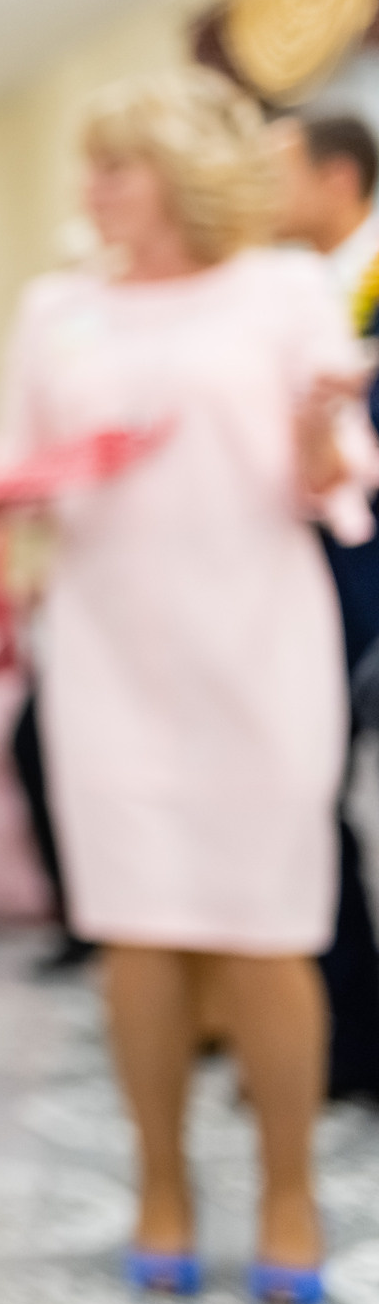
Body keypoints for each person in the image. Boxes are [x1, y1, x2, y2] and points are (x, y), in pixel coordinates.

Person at [0, 68, 369, 1304]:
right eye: (87, 166)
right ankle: (160, 1183)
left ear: (177, 175)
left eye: (114, 164)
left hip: (256, 646)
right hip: (109, 654)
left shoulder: (282, 290)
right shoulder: (55, 310)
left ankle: (287, 1193)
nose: (91, 189)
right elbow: (19, 465)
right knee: (136, 933)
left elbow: (333, 483)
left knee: (267, 932)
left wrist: (319, 434)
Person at [275, 112, 379, 1100]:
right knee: (314, 794)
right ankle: (342, 1031)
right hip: (306, 572)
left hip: (365, 573)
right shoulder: (281, 292)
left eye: (278, 169)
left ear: (336, 176)